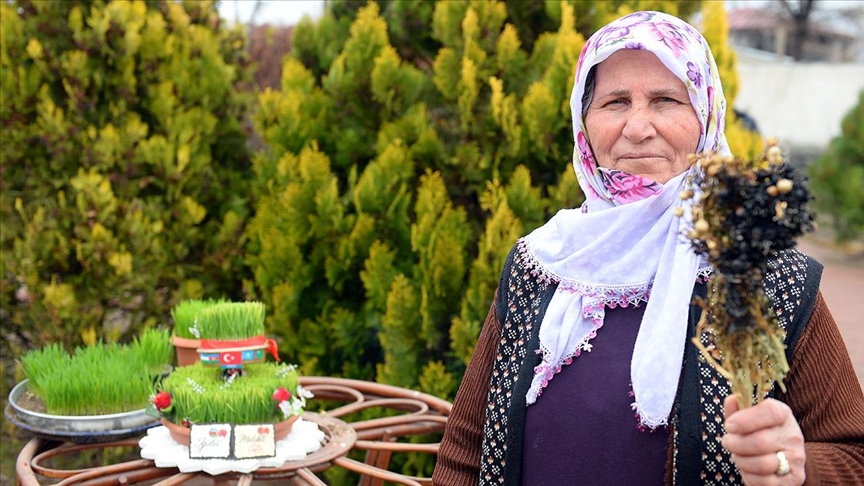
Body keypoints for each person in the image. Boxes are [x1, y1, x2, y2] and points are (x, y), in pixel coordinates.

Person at [432, 11, 864, 486]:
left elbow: (852, 455)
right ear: (584, 123)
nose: (638, 127)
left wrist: (796, 467)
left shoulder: (765, 276)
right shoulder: (541, 264)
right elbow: (465, 452)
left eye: (665, 100)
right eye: (615, 102)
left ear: (706, 115)